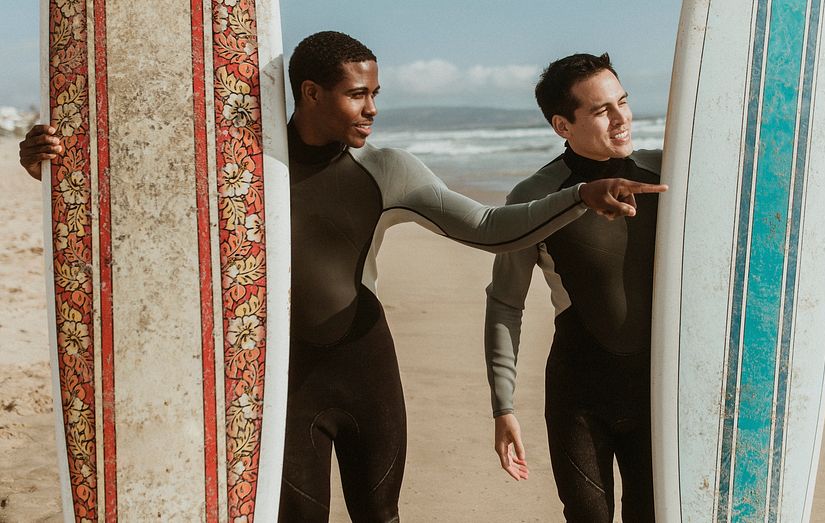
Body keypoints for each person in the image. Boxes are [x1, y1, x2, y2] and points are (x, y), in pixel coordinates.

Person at [20, 32, 666, 522]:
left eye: (376, 94)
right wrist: (47, 162)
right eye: (359, 94)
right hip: (285, 379)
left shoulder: (388, 171)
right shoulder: (247, 174)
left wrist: (581, 196)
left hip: (366, 371)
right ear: (311, 94)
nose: (373, 108)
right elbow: (131, 198)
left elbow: (489, 227)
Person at [484, 52, 825, 521]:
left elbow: (768, 183)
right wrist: (504, 405)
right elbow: (505, 303)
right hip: (579, 392)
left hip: (662, 390)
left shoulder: (672, 172)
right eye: (602, 110)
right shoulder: (534, 198)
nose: (622, 118)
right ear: (563, 125)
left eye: (622, 101)